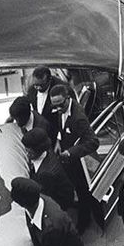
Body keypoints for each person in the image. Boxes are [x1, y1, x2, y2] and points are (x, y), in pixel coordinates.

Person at [49, 84, 98, 232]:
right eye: (55, 105)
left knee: (83, 191)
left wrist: (70, 152)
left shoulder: (79, 118)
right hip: (67, 155)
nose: (58, 109)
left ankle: (84, 220)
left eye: (60, 105)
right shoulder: (62, 108)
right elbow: (61, 125)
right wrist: (58, 140)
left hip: (79, 161)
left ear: (68, 98)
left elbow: (93, 142)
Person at [22, 128, 76, 213]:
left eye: (29, 152)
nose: (26, 154)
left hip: (58, 202)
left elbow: (42, 198)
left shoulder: (45, 174)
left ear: (38, 150)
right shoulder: (47, 150)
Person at [27, 67, 69, 132]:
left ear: (49, 80)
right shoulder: (32, 89)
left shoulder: (62, 88)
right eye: (35, 85)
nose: (38, 88)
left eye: (41, 85)